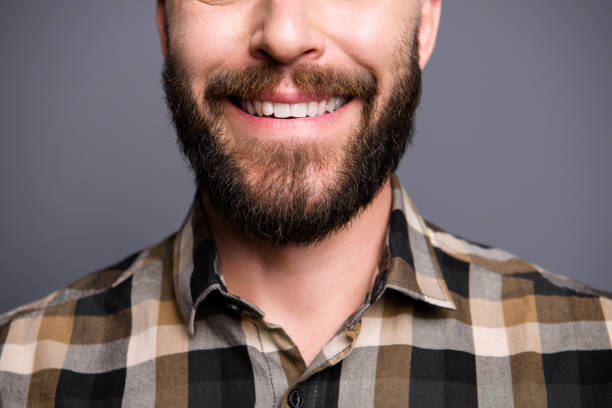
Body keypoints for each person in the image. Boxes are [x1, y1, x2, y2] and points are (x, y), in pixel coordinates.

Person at [1, 0, 610, 406]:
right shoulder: (16, 375)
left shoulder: (595, 356)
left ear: (423, 22)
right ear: (165, 24)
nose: (285, 37)